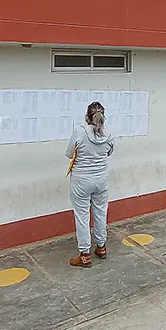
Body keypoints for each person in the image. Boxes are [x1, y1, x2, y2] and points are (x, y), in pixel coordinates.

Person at [66, 102, 116, 268]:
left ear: (87, 116)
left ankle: (84, 254)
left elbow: (69, 154)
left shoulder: (80, 132)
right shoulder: (109, 133)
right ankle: (101, 247)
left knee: (82, 216)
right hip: (101, 179)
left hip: (81, 180)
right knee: (101, 212)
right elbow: (109, 152)